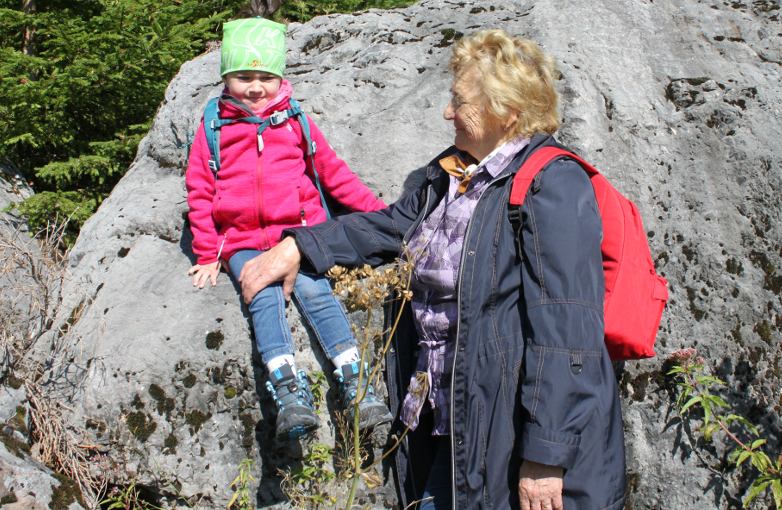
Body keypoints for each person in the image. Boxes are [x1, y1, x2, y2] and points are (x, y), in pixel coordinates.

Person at [238, 29, 627, 510]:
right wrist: (299, 246)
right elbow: (391, 228)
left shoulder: (553, 184)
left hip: (520, 446)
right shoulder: (452, 175)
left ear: (507, 111)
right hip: (454, 427)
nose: (448, 113)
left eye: (459, 102)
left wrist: (546, 456)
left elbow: (568, 331)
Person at [185, 0, 391, 440]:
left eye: (265, 76)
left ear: (280, 77)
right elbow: (200, 190)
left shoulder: (293, 119)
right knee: (261, 294)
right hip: (240, 240)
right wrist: (207, 252)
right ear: (225, 77)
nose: (255, 87)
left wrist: (380, 214)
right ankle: (289, 390)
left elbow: (332, 173)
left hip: (300, 234)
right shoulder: (213, 125)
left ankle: (357, 384)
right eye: (243, 76)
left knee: (317, 293)